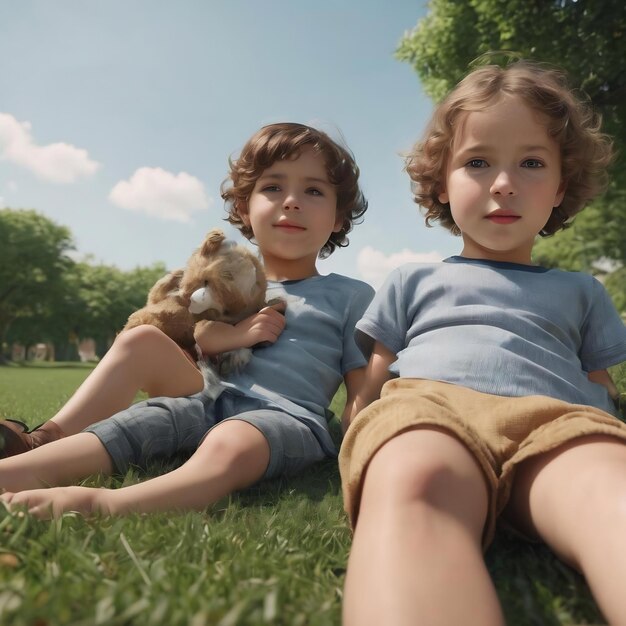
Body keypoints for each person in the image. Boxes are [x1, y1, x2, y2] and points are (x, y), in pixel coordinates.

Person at [339, 62, 626, 626]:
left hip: (557, 419)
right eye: (477, 162)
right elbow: (376, 371)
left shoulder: (581, 290)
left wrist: (606, 430)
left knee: (610, 493)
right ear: (442, 182)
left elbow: (600, 386)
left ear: (561, 186)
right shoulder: (410, 279)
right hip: (430, 410)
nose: (503, 183)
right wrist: (358, 424)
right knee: (413, 481)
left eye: (532, 163)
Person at [0, 122, 374, 518]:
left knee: (232, 442)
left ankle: (108, 504)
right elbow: (195, 340)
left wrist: (357, 442)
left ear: (338, 217)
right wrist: (235, 333)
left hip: (283, 413)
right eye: (273, 187)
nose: (292, 201)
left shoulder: (350, 295)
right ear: (245, 208)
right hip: (204, 393)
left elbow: (361, 388)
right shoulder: (223, 285)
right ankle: (37, 449)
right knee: (140, 397)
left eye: (314, 191)